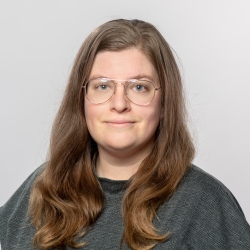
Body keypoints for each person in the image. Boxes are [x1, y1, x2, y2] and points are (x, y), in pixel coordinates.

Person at [0, 19, 250, 250]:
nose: (119, 103)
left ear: (164, 104)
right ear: (82, 100)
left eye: (139, 87)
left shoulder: (205, 203)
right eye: (103, 86)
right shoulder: (42, 187)